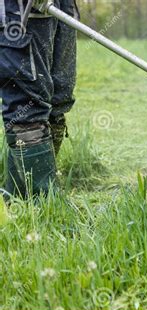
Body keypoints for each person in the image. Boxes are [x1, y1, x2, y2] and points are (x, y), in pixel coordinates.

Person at [0, 0, 79, 199]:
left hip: (61, 7)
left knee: (58, 99)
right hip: (18, 10)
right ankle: (40, 203)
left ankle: (20, 194)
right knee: (27, 104)